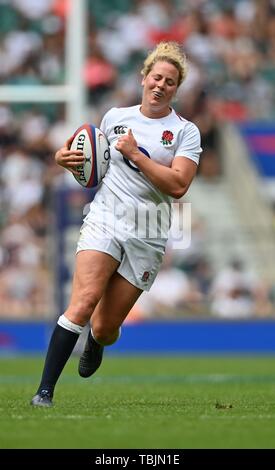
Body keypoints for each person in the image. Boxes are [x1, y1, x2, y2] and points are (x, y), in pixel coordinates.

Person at [31, 41, 202, 407]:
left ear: (176, 89)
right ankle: (44, 392)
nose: (161, 85)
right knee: (82, 302)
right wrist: (67, 160)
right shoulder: (113, 118)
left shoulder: (186, 132)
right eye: (156, 77)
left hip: (148, 232)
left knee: (105, 327)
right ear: (144, 77)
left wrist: (136, 154)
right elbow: (92, 166)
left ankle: (97, 341)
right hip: (105, 219)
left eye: (170, 82)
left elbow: (178, 185)